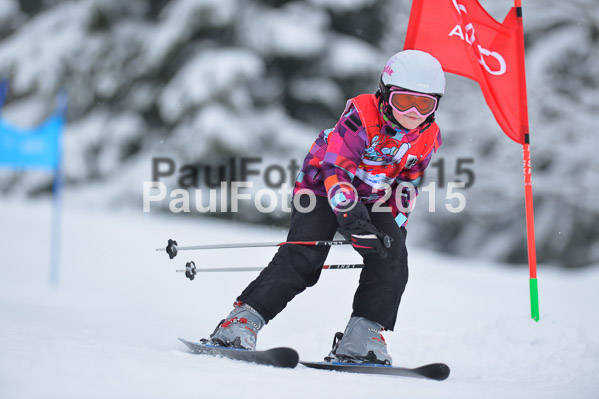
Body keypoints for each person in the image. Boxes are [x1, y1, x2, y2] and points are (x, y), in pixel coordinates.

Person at [206, 50, 446, 365]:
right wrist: (352, 219)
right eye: (404, 101)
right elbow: (337, 169)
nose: (414, 111)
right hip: (321, 188)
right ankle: (241, 322)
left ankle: (362, 336)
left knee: (392, 255)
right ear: (386, 96)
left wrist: (394, 225)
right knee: (305, 256)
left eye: (425, 103)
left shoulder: (428, 136)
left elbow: (407, 184)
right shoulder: (361, 115)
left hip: (374, 197)